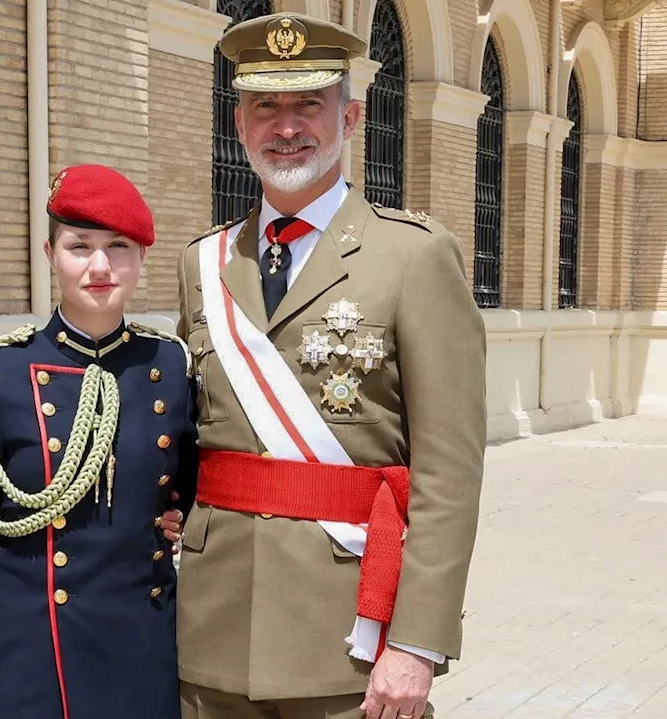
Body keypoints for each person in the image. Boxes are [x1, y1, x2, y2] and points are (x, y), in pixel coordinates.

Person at [173, 13, 487, 719]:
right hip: (213, 632)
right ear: (239, 122)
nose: (287, 127)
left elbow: (450, 476)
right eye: (267, 107)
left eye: (308, 104)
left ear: (349, 117)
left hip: (348, 643)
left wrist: (417, 642)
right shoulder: (203, 264)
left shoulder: (414, 258)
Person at [0, 164, 197, 719]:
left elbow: (195, 479)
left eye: (118, 246)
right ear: (50, 253)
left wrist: (184, 521)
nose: (99, 266)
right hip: (32, 638)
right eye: (79, 246)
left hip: (143, 633)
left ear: (142, 256)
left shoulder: (171, 362)